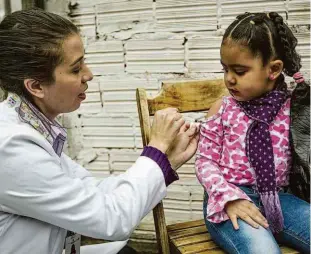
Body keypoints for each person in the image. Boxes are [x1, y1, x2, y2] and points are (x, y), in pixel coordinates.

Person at [0, 9, 199, 254]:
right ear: (36, 86)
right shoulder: (10, 146)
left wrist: (166, 161)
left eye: (83, 61)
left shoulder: (32, 125)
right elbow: (110, 219)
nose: (88, 75)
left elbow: (93, 192)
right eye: (75, 69)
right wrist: (156, 150)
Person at [195, 11, 310, 254]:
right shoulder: (222, 110)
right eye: (225, 69)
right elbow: (205, 162)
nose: (229, 79)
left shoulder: (295, 108)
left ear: (274, 69)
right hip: (230, 201)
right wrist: (229, 198)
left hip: (281, 199)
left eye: (239, 71)